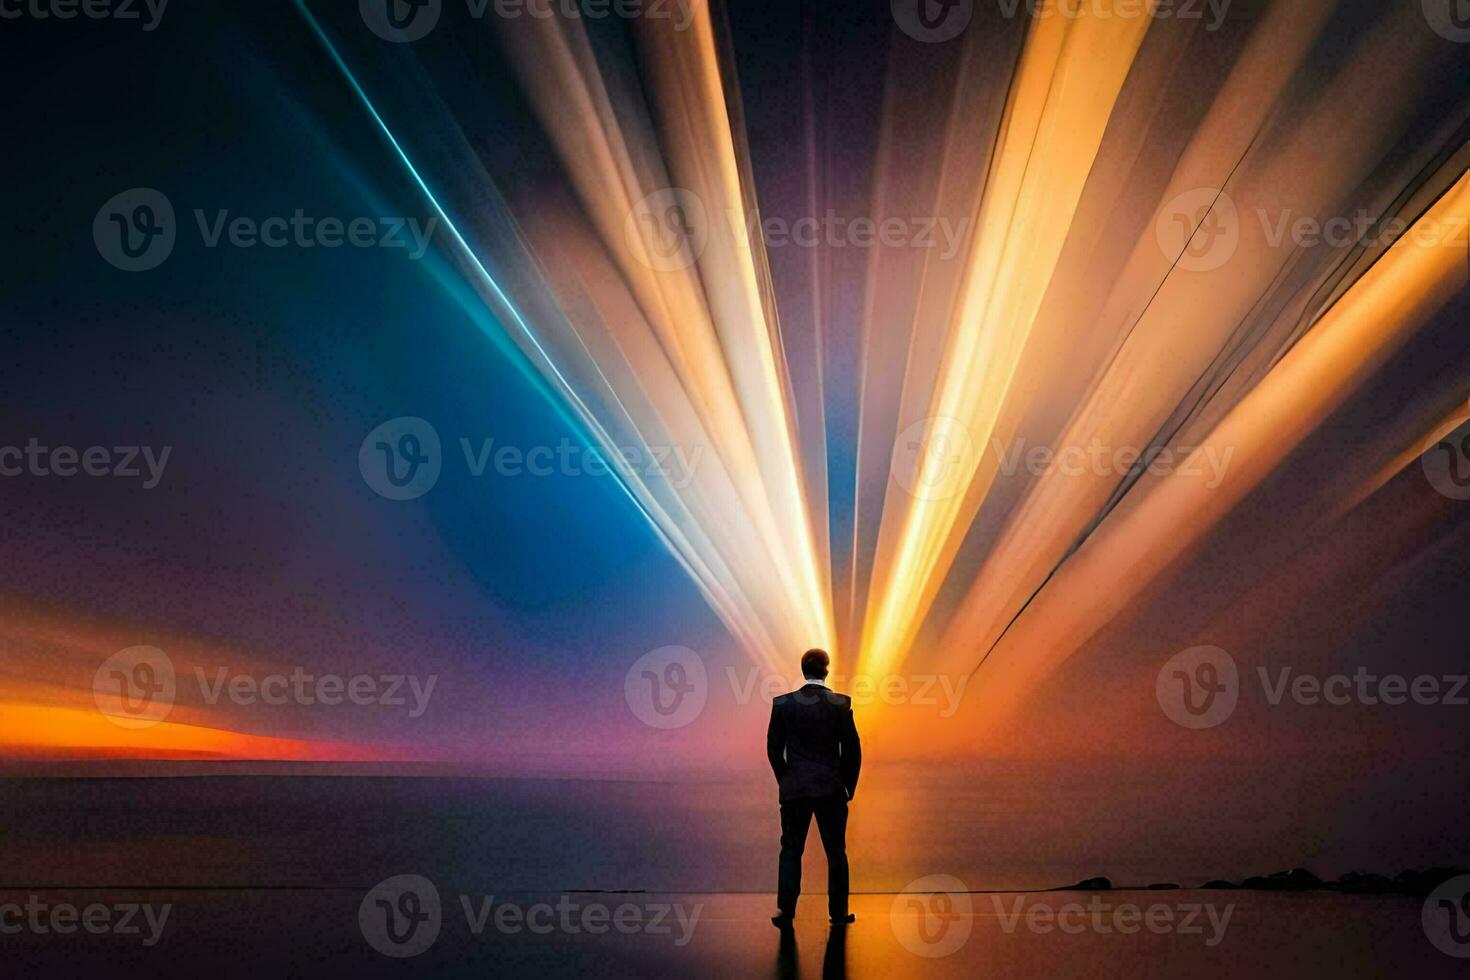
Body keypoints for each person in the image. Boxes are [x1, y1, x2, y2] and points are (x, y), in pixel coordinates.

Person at [766, 648, 861, 927]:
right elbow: (853, 750)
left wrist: (786, 779)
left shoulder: (783, 704)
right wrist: (847, 786)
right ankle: (839, 912)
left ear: (803, 670)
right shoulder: (840, 704)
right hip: (831, 790)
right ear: (826, 670)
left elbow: (773, 750)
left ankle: (786, 912)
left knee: (791, 851)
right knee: (836, 852)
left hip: (795, 789)